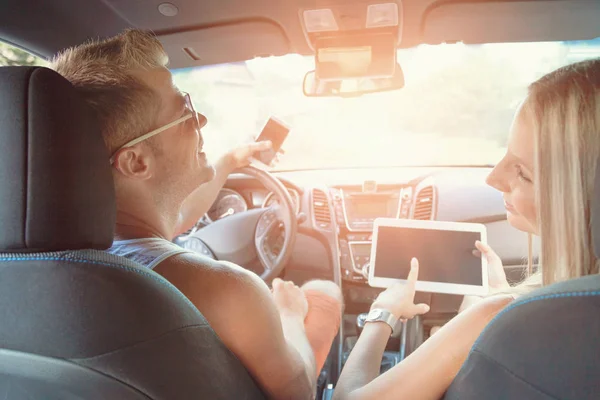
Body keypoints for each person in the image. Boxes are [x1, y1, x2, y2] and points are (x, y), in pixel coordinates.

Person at [51, 29, 342, 400]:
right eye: (184, 110)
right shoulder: (226, 291)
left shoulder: (37, 263)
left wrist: (226, 164)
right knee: (322, 295)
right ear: (137, 161)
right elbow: (298, 392)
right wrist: (288, 315)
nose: (200, 119)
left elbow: (179, 217)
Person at [332, 57, 600, 400]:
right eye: (505, 155)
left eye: (523, 172)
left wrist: (383, 313)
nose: (492, 178)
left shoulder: (500, 320)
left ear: (582, 195)